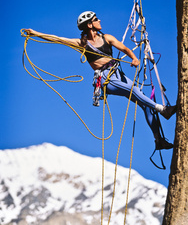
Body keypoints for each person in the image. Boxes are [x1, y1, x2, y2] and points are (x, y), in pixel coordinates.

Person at [25, 11, 177, 150]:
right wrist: (34, 33)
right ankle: (163, 110)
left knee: (146, 105)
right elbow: (57, 39)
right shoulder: (82, 44)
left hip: (118, 74)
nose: (100, 20)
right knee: (136, 91)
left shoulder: (107, 38)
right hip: (105, 79)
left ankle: (159, 141)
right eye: (96, 19)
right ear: (90, 25)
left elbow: (124, 48)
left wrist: (134, 58)